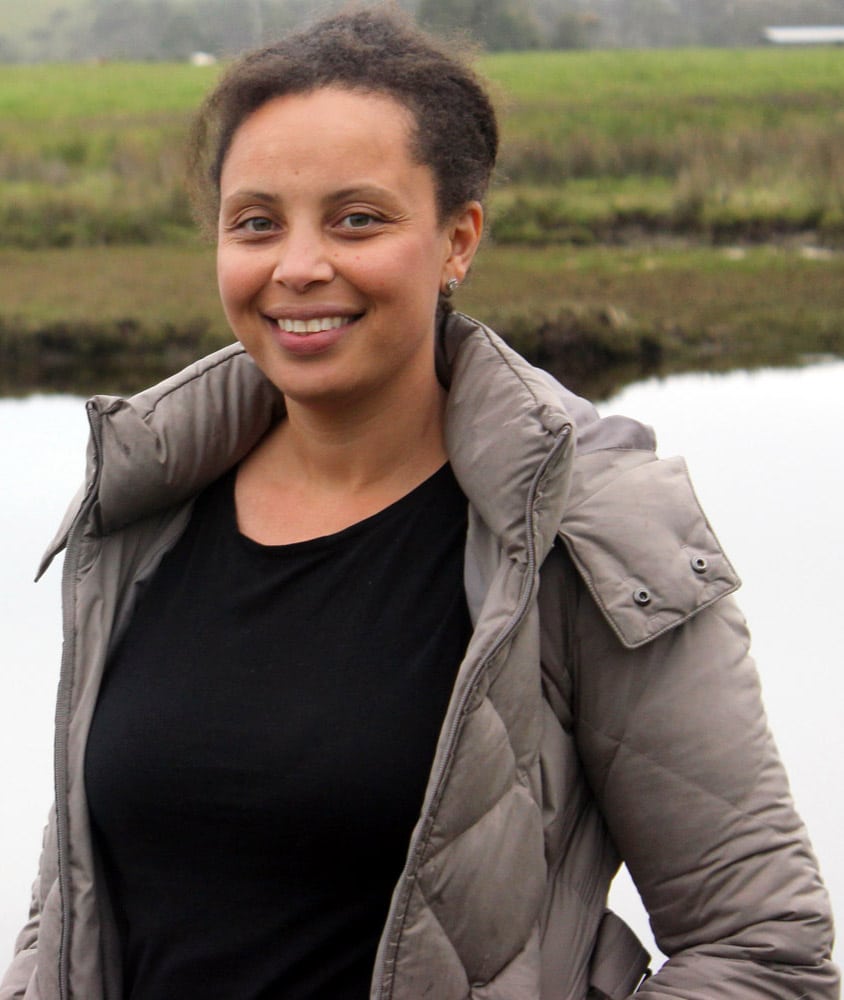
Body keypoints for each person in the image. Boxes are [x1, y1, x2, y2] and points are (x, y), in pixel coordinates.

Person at [1, 7, 837, 1000]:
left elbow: (762, 953)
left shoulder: (586, 525)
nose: (299, 264)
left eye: (357, 217)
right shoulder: (142, 506)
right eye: (256, 221)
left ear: (457, 240)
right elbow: (71, 905)